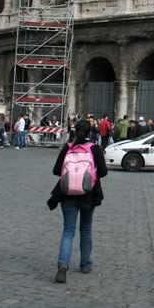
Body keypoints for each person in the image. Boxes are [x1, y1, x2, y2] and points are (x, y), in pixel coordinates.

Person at [48, 118, 107, 283]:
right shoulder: (94, 149)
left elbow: (55, 171)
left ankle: (63, 264)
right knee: (86, 229)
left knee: (68, 230)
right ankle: (86, 264)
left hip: (67, 195)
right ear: (90, 132)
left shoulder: (67, 148)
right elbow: (103, 172)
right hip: (88, 195)